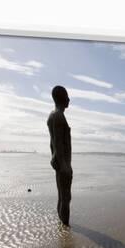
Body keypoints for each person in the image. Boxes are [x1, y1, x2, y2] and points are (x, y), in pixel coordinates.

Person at [47, 86, 72, 226]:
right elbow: (56, 142)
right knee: (66, 197)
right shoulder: (57, 116)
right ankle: (65, 228)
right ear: (60, 98)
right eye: (67, 96)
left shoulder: (54, 115)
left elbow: (53, 143)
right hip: (63, 163)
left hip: (60, 162)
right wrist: (64, 166)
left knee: (62, 196)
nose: (69, 99)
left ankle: (62, 225)